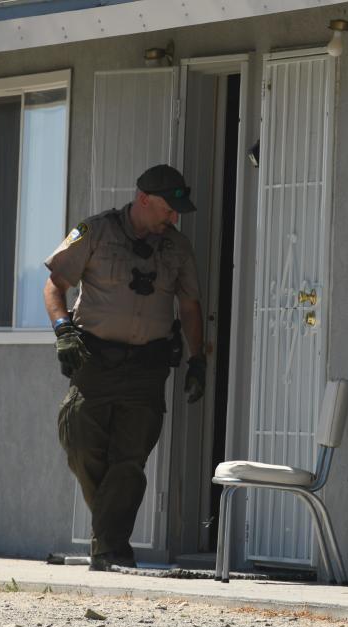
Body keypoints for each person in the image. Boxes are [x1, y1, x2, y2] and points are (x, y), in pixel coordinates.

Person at [42, 164, 206, 571]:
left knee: (130, 460)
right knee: (81, 446)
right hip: (94, 361)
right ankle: (110, 540)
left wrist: (198, 358)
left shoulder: (178, 248)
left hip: (146, 368)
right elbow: (54, 284)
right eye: (170, 208)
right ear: (144, 199)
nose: (175, 217)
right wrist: (63, 329)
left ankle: (112, 549)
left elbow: (189, 307)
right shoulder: (95, 232)